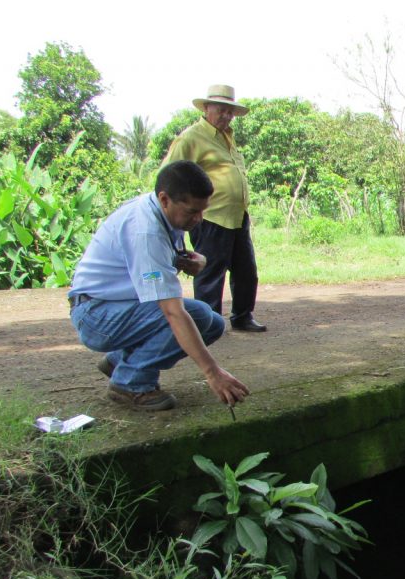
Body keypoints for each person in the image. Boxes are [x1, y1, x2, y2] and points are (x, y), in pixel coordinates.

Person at [68, 161, 250, 412]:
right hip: (96, 315)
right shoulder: (146, 231)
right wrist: (213, 373)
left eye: (202, 211)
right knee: (193, 315)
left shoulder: (160, 212)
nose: (198, 219)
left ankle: (120, 362)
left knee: (213, 323)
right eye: (191, 212)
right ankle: (130, 383)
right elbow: (172, 312)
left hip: (117, 306)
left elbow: (160, 260)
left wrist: (192, 260)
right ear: (165, 199)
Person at [162, 84, 267, 332]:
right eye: (221, 110)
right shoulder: (191, 137)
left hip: (237, 215)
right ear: (207, 108)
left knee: (246, 271)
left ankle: (242, 316)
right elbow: (170, 173)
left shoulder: (228, 138)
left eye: (230, 112)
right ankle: (207, 322)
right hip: (209, 216)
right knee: (210, 272)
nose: (226, 116)